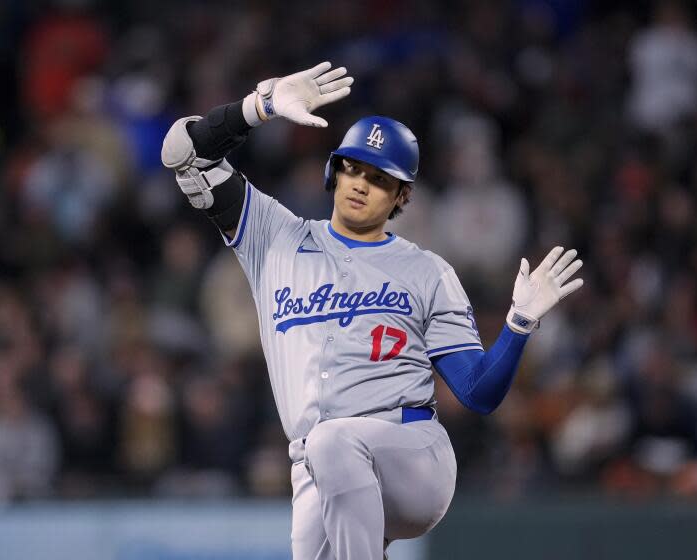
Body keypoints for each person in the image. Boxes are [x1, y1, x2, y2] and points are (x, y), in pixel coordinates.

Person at [161, 62, 584, 559]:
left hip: (411, 456)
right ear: (333, 171)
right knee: (325, 448)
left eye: (379, 178)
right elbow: (182, 153)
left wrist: (518, 325)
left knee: (333, 441)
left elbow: (478, 393)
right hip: (317, 470)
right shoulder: (274, 239)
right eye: (353, 168)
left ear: (401, 195)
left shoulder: (427, 271)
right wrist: (261, 107)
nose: (361, 184)